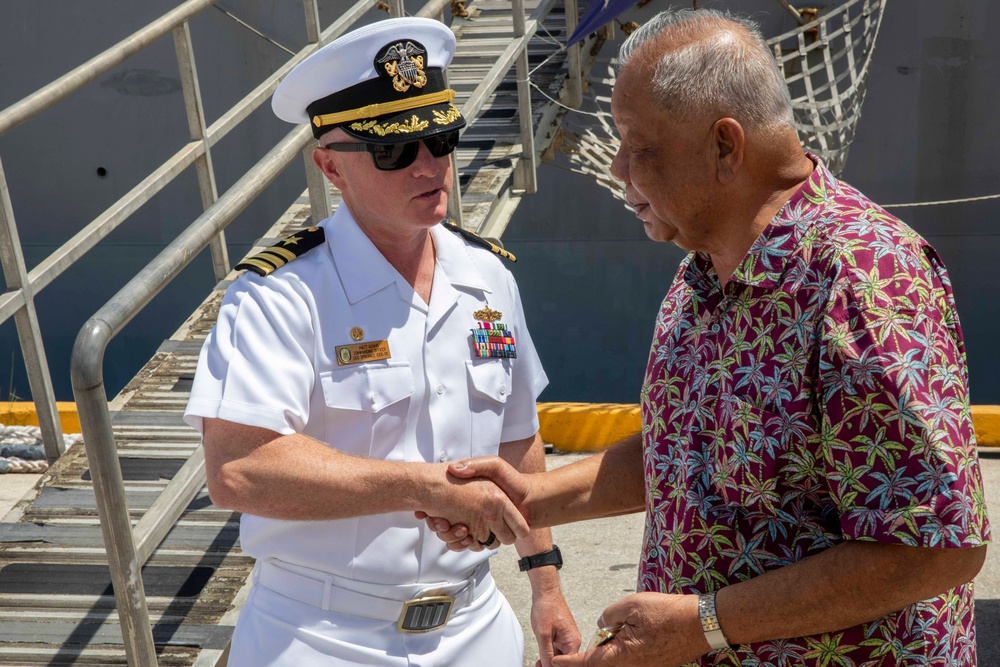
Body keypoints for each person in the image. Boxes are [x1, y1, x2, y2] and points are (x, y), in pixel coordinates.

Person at [421, 8, 991, 667]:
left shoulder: (865, 278)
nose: (618, 167)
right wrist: (528, 497)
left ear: (725, 146)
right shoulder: (704, 274)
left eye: (639, 145)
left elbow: (936, 547)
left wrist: (704, 625)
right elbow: (690, 448)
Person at [183, 17, 579, 666]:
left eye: (440, 139)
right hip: (321, 634)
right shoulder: (280, 293)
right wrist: (422, 486)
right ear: (330, 166)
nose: (428, 165)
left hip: (475, 628)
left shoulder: (487, 278)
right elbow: (237, 469)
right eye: (395, 151)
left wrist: (546, 579)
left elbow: (518, 437)